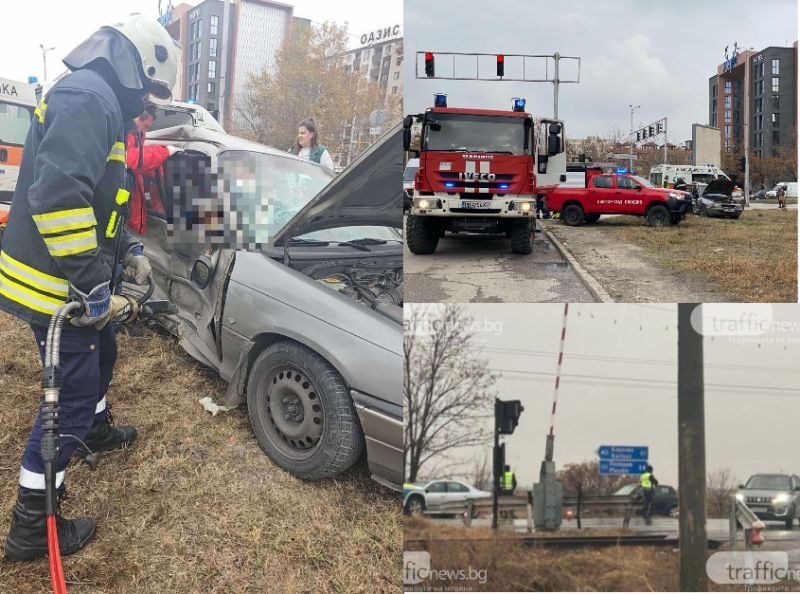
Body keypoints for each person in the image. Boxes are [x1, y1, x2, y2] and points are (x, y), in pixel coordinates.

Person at [0, 15, 178, 561]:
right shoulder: (89, 99)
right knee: (68, 399)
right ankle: (33, 527)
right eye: (149, 95)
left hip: (71, 277)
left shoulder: (100, 103)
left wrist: (129, 252)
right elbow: (57, 200)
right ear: (135, 68)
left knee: (104, 353)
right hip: (54, 287)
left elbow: (105, 201)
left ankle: (96, 430)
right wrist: (94, 289)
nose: (146, 109)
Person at [127, 103, 183, 233]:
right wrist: (165, 152)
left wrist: (168, 177)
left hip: (131, 209)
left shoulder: (134, 135)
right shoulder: (126, 134)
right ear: (138, 118)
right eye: (145, 126)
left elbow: (147, 167)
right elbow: (133, 161)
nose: (145, 131)